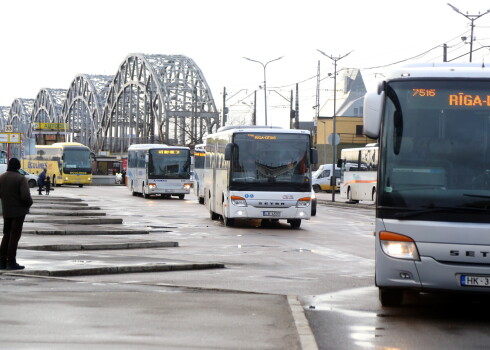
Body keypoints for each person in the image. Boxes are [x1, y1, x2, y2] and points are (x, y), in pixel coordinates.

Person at [0, 158, 33, 270]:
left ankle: (2, 262)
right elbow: (25, 196)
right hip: (18, 213)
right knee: (14, 237)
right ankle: (11, 262)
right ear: (18, 167)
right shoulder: (21, 178)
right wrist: (29, 204)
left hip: (6, 212)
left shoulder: (2, 177)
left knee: (6, 236)